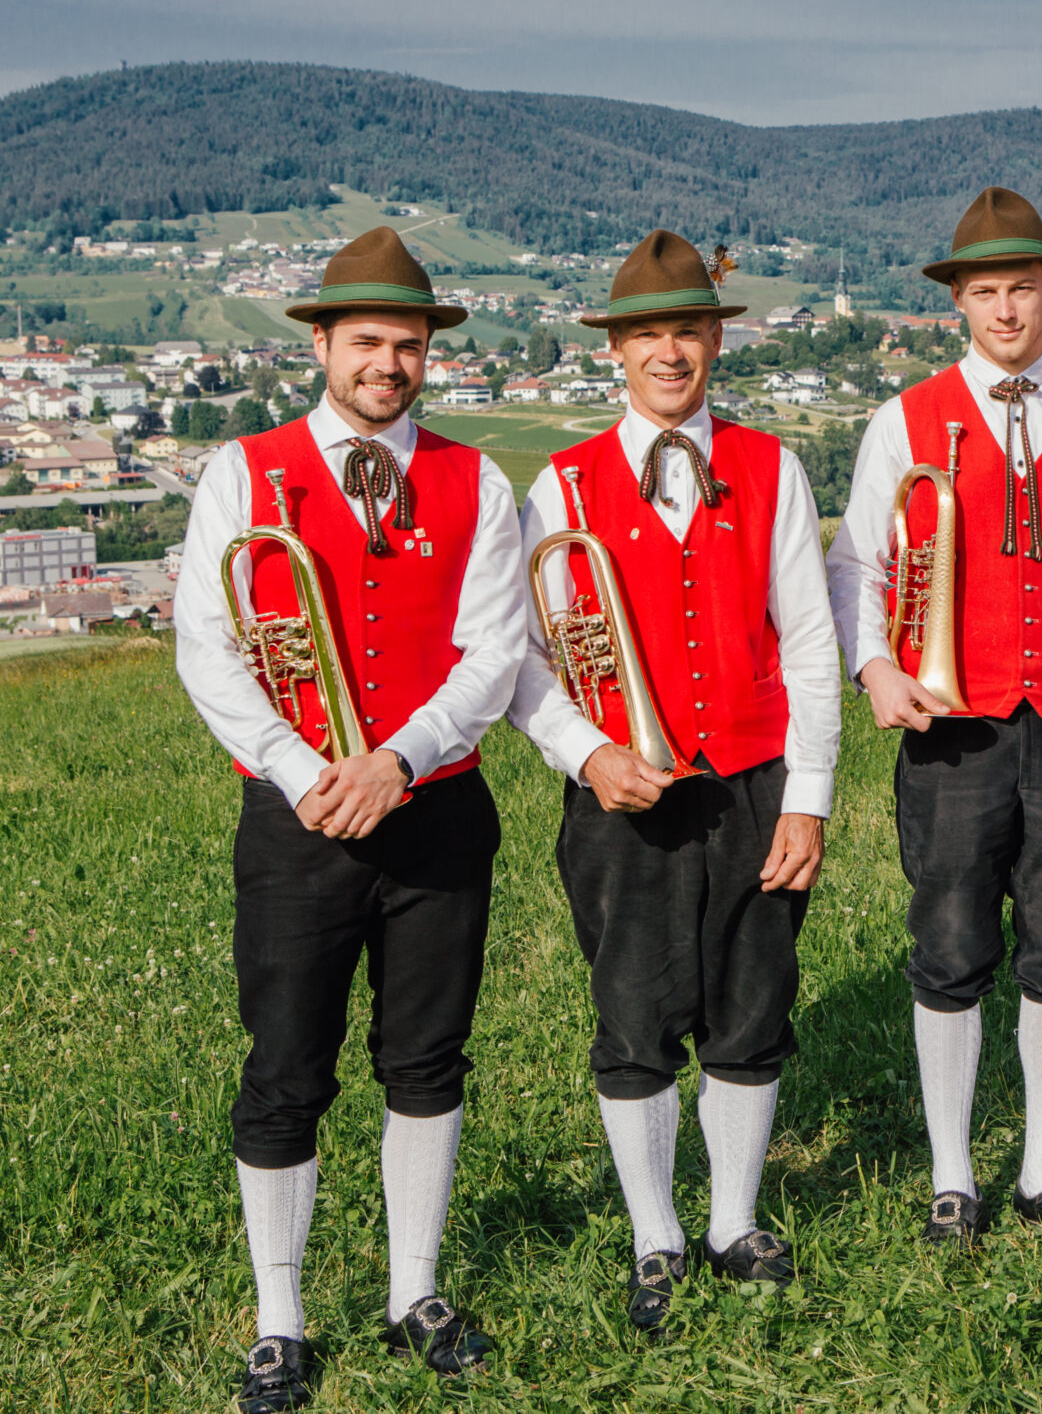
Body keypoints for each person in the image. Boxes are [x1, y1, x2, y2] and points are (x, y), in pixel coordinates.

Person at [174, 227, 522, 1411]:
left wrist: (396, 760)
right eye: (366, 341)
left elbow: (494, 654)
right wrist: (297, 767)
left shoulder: (481, 481)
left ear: (432, 358)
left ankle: (411, 1288)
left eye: (409, 346)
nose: (388, 363)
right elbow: (209, 650)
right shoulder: (245, 470)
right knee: (285, 1070)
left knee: (425, 1060)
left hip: (433, 811)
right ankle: (281, 1318)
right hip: (294, 818)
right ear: (320, 344)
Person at [506, 230, 841, 1337]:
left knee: (753, 1006)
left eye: (688, 332)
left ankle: (733, 1218)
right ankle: (655, 1232)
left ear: (715, 341)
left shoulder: (773, 466)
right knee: (635, 1014)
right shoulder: (560, 484)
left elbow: (805, 638)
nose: (670, 353)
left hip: (750, 781)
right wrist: (588, 754)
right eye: (648, 333)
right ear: (616, 351)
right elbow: (526, 660)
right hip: (622, 797)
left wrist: (809, 795)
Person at [826, 187, 1042, 1247]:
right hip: (950, 728)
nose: (1006, 310)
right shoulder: (905, 419)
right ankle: (952, 1174)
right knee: (950, 942)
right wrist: (876, 669)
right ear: (956, 304)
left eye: (1023, 288)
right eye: (985, 293)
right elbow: (856, 568)